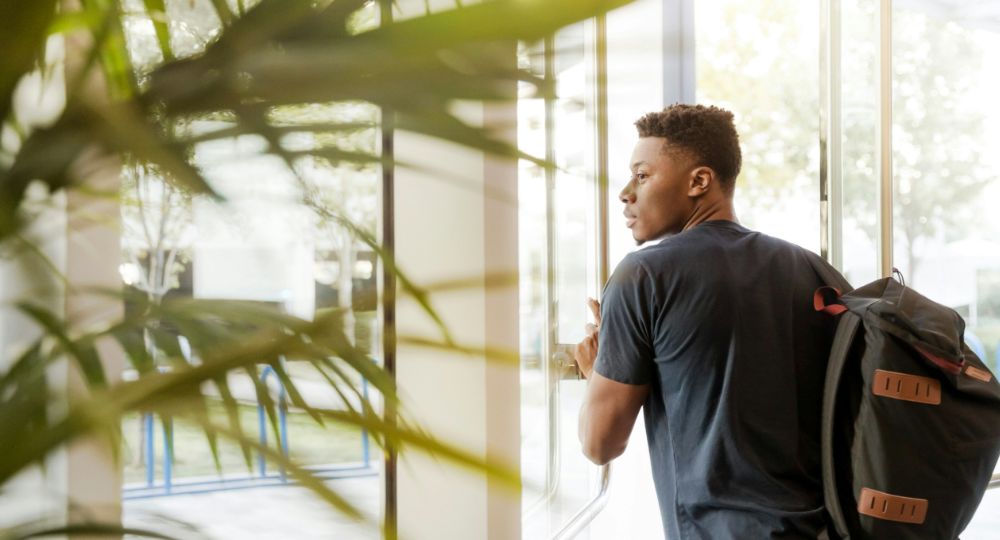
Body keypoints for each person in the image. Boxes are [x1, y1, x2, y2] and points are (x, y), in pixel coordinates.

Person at [574, 104, 842, 539]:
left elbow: (599, 444)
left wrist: (596, 370)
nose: (626, 192)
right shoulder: (813, 271)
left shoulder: (643, 276)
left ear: (699, 181)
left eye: (642, 175)